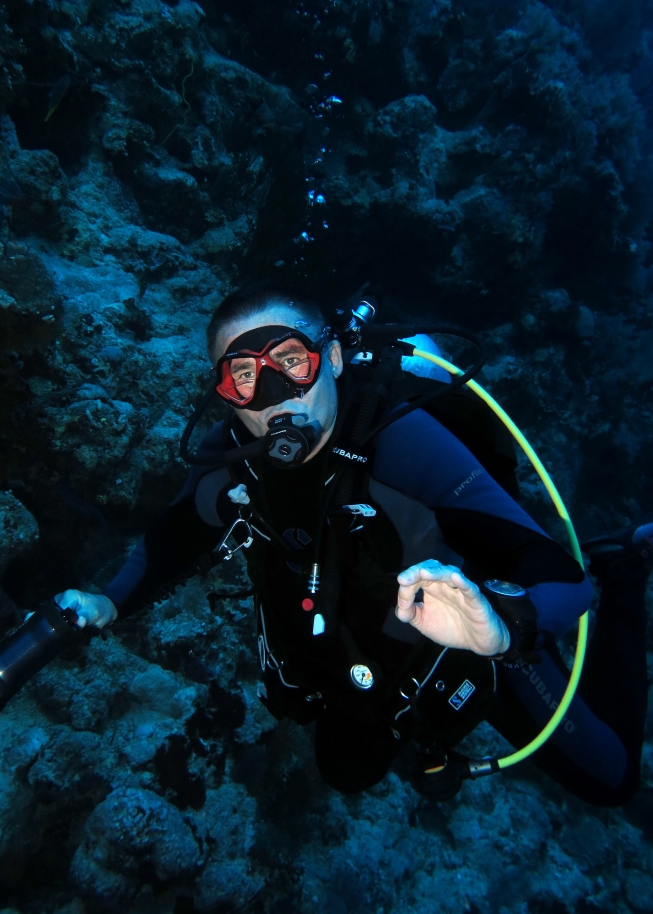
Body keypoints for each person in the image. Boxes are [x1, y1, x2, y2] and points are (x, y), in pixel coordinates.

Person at [55, 286, 652, 804]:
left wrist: (501, 630)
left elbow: (565, 582)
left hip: (471, 640)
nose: (273, 395)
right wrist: (108, 603)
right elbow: (175, 537)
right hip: (360, 650)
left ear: (334, 358)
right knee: (346, 771)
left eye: (291, 361)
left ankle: (624, 568)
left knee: (612, 779)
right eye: (244, 376)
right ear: (225, 394)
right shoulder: (232, 459)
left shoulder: (404, 445)